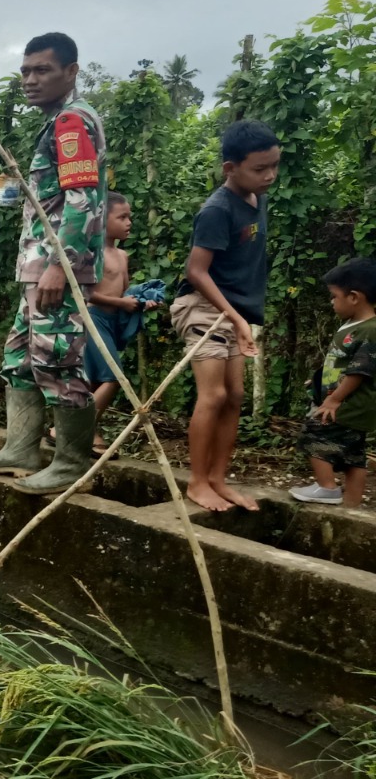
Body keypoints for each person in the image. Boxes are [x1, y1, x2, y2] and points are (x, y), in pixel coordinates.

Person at [0, 32, 108, 494]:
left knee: (58, 361)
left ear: (71, 72)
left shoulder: (72, 122)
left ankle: (71, 464)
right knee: (20, 357)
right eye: (26, 70)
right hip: (37, 264)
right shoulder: (56, 122)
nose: (30, 80)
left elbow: (82, 199)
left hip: (56, 267)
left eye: (42, 70)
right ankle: (21, 447)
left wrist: (59, 265)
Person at [169, 120, 280, 512]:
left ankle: (217, 478)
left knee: (234, 396)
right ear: (229, 168)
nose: (269, 176)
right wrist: (234, 317)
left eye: (274, 166)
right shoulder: (217, 210)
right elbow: (195, 272)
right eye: (259, 168)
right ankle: (197, 482)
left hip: (232, 312)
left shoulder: (257, 199)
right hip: (203, 308)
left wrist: (239, 317)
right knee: (213, 395)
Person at [290, 257, 376, 509]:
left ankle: (328, 488)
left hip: (349, 402)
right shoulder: (352, 325)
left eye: (333, 296)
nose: (331, 302)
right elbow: (339, 363)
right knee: (353, 455)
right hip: (351, 403)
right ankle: (351, 506)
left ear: (353, 297)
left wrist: (334, 398)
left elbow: (360, 371)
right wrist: (318, 380)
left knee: (313, 431)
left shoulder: (370, 330)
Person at [82, 192, 164, 454]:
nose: (129, 222)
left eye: (130, 216)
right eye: (122, 217)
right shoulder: (93, 253)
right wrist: (122, 304)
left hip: (110, 321)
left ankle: (87, 432)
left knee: (96, 383)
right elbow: (85, 293)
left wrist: (143, 300)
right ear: (102, 221)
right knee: (114, 377)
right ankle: (67, 429)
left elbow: (125, 292)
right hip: (92, 319)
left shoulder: (122, 255)